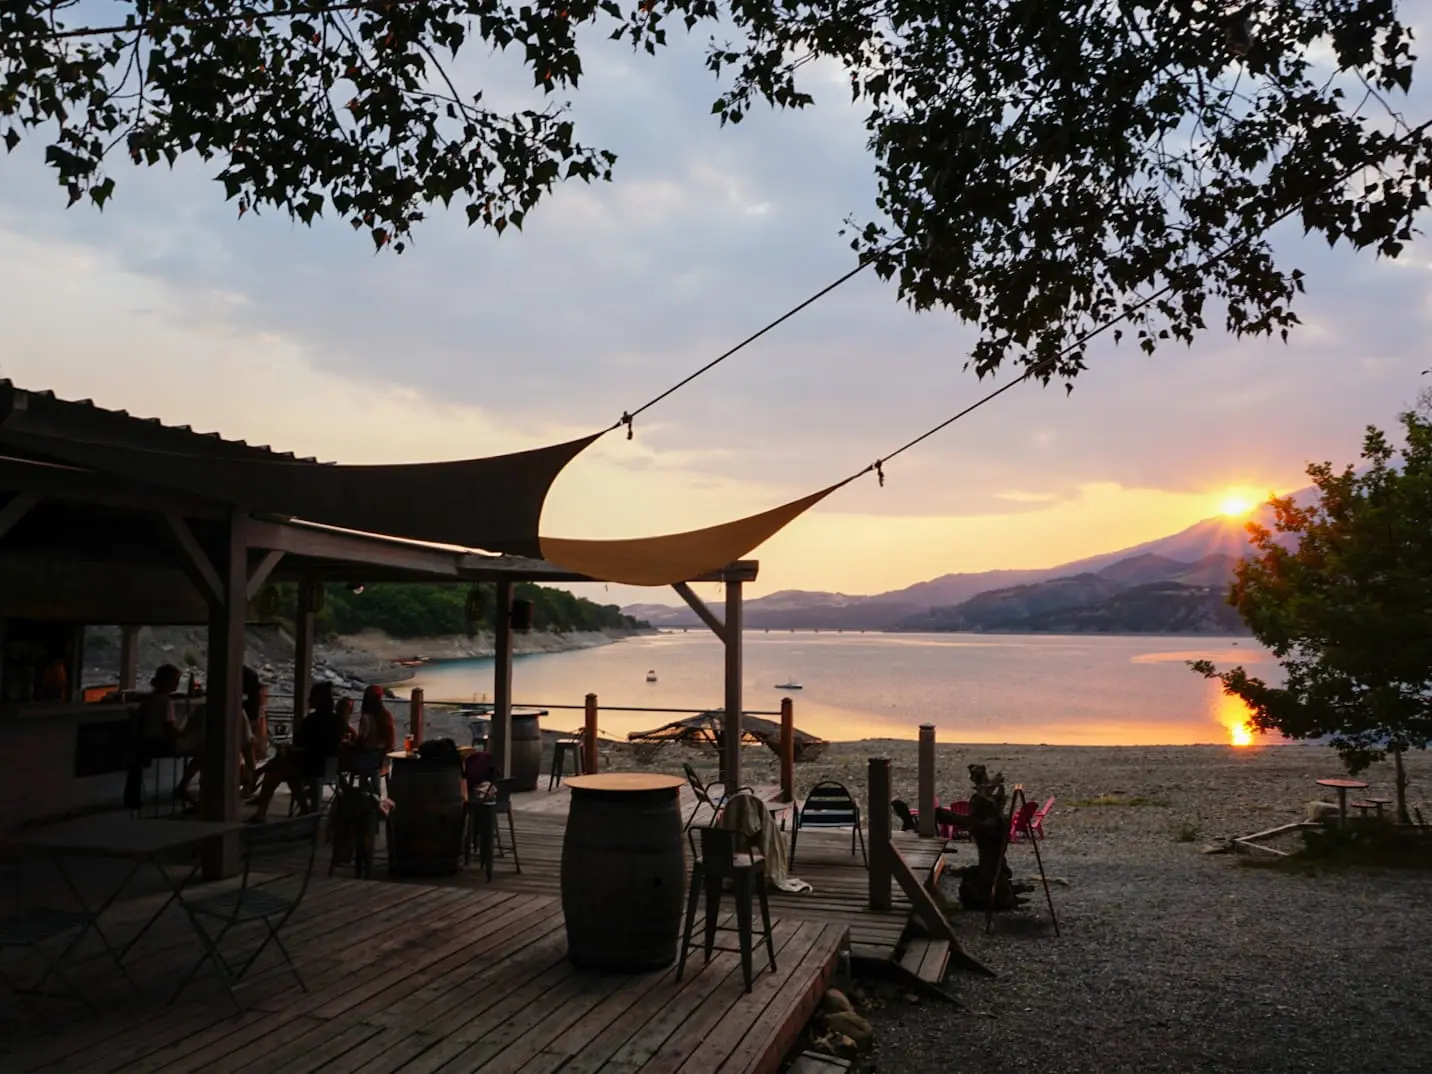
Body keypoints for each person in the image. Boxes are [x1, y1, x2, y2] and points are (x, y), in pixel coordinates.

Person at [248, 682, 345, 822]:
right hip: (328, 766)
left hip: (311, 766)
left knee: (277, 771)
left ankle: (261, 807)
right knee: (284, 769)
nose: (309, 699)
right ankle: (299, 809)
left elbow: (299, 744)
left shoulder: (312, 720)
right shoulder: (337, 720)